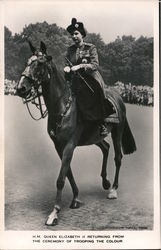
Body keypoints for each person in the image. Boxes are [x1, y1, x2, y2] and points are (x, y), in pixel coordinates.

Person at [64, 18, 118, 135]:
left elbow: (95, 65)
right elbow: (67, 63)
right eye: (72, 34)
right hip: (75, 78)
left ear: (82, 34)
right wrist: (67, 68)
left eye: (76, 33)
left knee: (94, 91)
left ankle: (101, 123)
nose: (74, 36)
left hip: (90, 76)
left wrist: (80, 66)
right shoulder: (70, 50)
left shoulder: (90, 47)